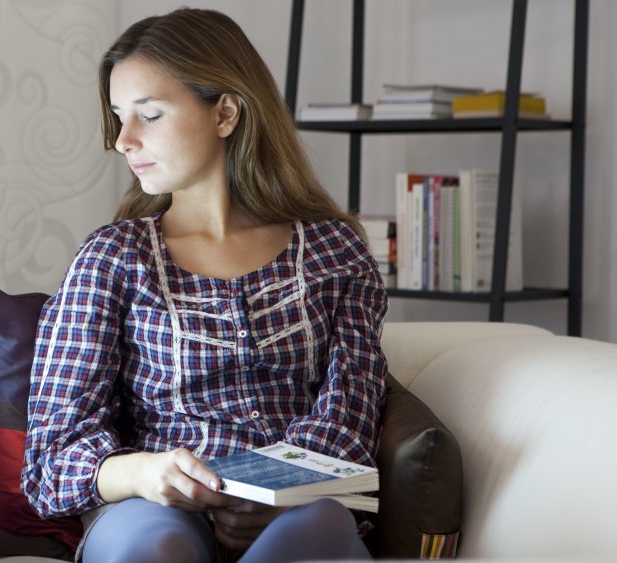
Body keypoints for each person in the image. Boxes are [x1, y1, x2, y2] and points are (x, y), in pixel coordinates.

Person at [21, 7, 388, 562]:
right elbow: (52, 457)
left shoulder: (335, 250)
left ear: (225, 113)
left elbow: (350, 417)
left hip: (300, 506)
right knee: (155, 545)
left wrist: (277, 496)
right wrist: (146, 473)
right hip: (153, 508)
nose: (123, 140)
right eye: (120, 116)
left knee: (312, 535)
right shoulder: (113, 257)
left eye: (150, 115)